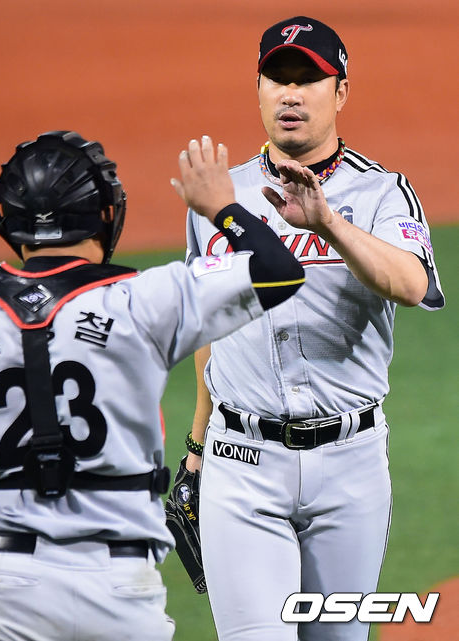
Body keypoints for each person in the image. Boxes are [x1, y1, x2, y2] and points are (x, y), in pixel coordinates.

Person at [0, 130, 304, 641]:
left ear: (7, 217)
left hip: (1, 583)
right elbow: (278, 271)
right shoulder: (146, 299)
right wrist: (222, 208)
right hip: (120, 587)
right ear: (106, 213)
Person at [180, 16, 445, 641]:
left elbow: (412, 285)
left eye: (309, 79)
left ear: (341, 92)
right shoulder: (223, 197)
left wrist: (328, 223)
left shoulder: (383, 193)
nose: (291, 94)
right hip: (242, 464)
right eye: (278, 78)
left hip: (350, 467)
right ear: (259, 88)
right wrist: (195, 448)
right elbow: (209, 327)